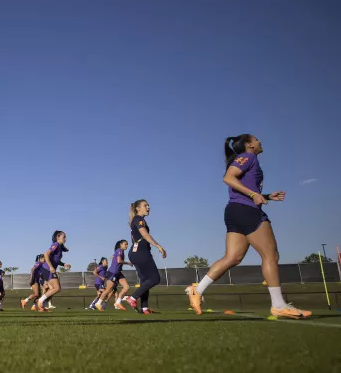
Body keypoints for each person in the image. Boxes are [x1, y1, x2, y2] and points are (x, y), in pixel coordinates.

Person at [186, 135, 311, 319]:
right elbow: (228, 178)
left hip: (235, 210)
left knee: (232, 257)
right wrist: (254, 195)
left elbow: (240, 185)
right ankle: (278, 305)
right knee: (270, 255)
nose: (261, 141)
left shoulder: (249, 160)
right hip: (247, 210)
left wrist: (266, 196)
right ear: (249, 144)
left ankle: (198, 290)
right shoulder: (248, 157)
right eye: (257, 139)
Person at [124, 200, 165, 314]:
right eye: (145, 205)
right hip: (140, 252)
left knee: (145, 281)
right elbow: (145, 234)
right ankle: (132, 298)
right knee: (154, 278)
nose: (148, 207)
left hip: (135, 252)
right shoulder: (139, 219)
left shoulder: (136, 220)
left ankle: (144, 308)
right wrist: (158, 246)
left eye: (148, 205)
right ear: (137, 208)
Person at [36, 232, 71, 312]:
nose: (65, 239)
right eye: (64, 237)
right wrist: (51, 267)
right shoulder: (56, 244)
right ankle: (40, 301)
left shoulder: (59, 247)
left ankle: (42, 305)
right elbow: (46, 254)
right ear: (58, 237)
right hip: (47, 269)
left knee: (54, 288)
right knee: (56, 288)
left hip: (48, 269)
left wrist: (63, 264)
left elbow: (56, 260)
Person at [96, 240, 133, 311]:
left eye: (127, 244)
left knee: (126, 287)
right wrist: (128, 263)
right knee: (108, 289)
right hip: (113, 272)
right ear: (121, 245)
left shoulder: (119, 251)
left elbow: (116, 258)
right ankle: (98, 303)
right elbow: (119, 261)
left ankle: (118, 303)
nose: (127, 246)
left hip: (118, 272)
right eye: (125, 244)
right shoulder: (120, 250)